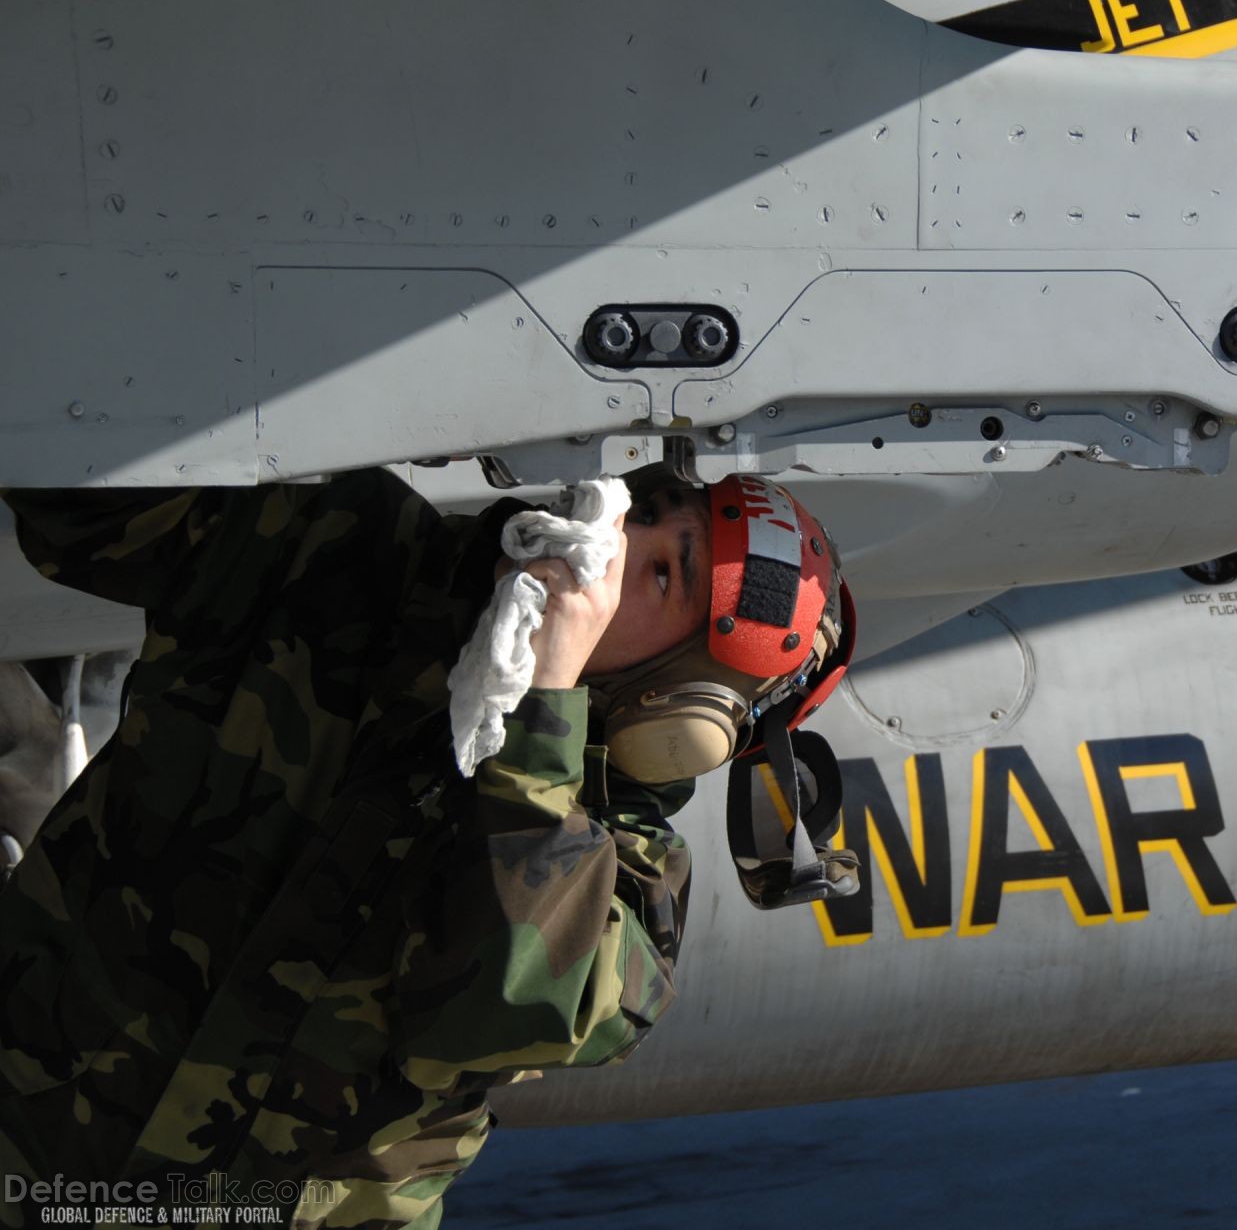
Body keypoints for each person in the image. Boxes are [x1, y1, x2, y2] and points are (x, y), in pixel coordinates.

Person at [0, 464, 849, 1228]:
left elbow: (504, 1001)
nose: (613, 548)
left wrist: (542, 705)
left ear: (675, 704)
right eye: (643, 511)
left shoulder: (629, 884)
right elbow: (80, 490)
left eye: (664, 571)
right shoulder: (354, 554)